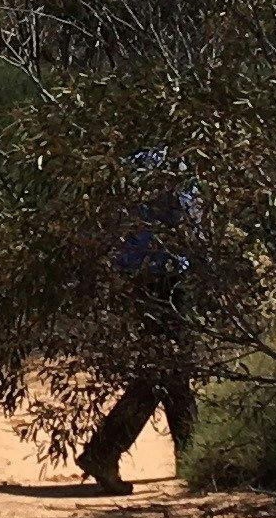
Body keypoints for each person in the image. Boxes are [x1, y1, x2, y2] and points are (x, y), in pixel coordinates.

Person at [77, 158, 201, 493]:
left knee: (174, 372)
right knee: (162, 370)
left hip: (144, 273)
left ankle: (197, 458)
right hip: (163, 275)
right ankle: (103, 450)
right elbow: (186, 220)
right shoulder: (173, 162)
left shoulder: (136, 161)